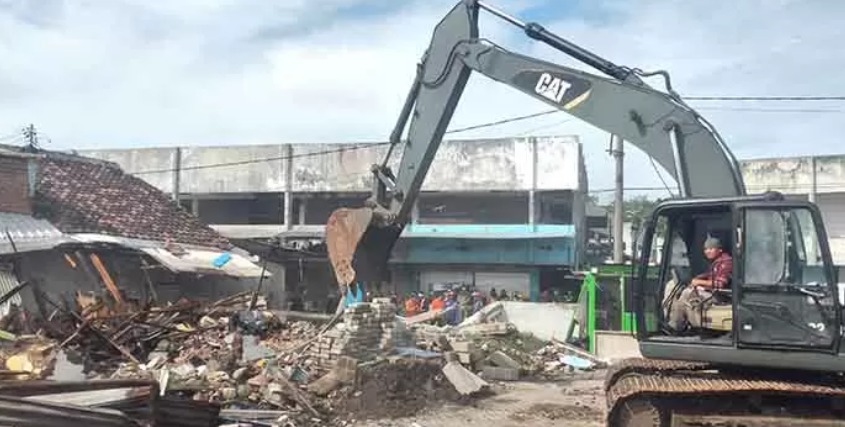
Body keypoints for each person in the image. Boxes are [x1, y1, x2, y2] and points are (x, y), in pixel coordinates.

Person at [667, 236, 733, 332]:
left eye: (711, 249)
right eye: (706, 249)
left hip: (720, 296)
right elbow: (711, 275)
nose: (707, 251)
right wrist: (699, 278)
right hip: (713, 292)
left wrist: (699, 282)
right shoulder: (717, 262)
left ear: (719, 250)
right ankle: (677, 325)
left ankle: (677, 326)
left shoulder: (726, 262)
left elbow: (719, 284)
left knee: (686, 293)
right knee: (681, 295)